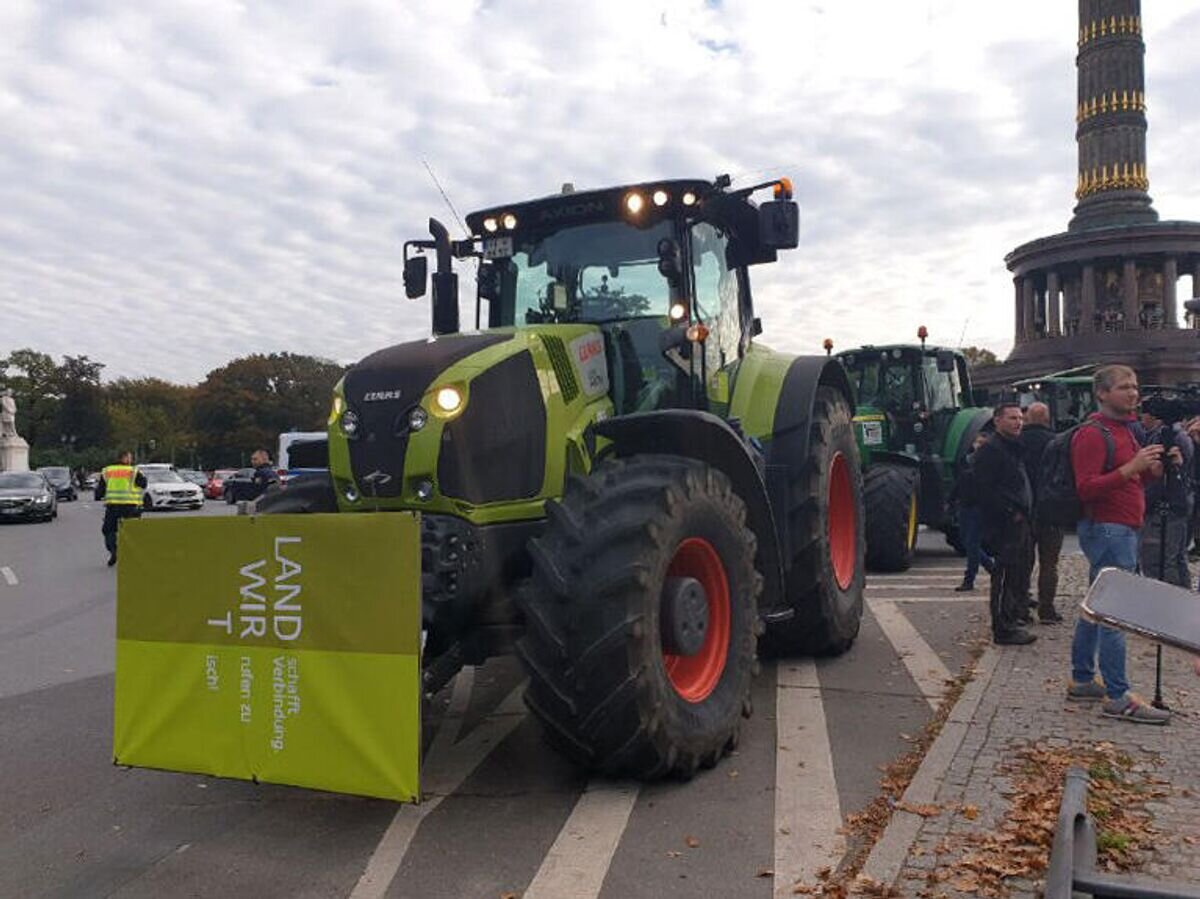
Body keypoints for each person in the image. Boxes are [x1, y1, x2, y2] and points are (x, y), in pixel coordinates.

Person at [1067, 364, 1175, 724]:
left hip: (1123, 526)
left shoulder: (1126, 431)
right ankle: (1118, 696)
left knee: (1095, 606)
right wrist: (1132, 468)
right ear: (1102, 394)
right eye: (1124, 387)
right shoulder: (1093, 434)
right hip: (1108, 530)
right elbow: (1086, 487)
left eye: (1135, 387)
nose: (1133, 393)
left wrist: (1151, 470)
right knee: (1116, 614)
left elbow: (1130, 484)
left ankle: (1083, 678)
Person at [972, 403, 1037, 645]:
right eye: (1012, 418)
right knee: (1005, 574)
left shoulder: (1014, 448)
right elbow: (985, 489)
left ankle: (1013, 616)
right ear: (997, 421)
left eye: (1020, 418)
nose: (1018, 422)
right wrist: (1011, 512)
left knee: (1018, 573)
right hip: (1005, 524)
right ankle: (1003, 627)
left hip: (1021, 520)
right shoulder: (991, 450)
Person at [1138, 406, 1193, 588]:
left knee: (1160, 561)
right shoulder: (1172, 435)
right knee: (1175, 559)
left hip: (1167, 507)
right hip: (1175, 504)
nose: (1140, 416)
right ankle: (1184, 604)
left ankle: (1169, 605)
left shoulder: (1172, 438)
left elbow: (1177, 474)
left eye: (1143, 411)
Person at [1019, 402, 1064, 623]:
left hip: (1023, 511)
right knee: (1049, 564)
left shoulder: (1016, 442)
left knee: (1023, 562)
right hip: (1051, 511)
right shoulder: (1058, 443)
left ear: (1026, 418)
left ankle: (1021, 608)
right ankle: (1047, 609)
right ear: (1047, 419)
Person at [954, 432, 995, 592]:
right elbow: (959, 482)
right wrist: (953, 500)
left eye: (982, 443)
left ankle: (969, 579)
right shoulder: (966, 460)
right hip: (964, 505)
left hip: (978, 507)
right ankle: (992, 568)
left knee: (972, 543)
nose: (978, 445)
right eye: (977, 442)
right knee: (967, 542)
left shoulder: (988, 463)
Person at [96, 450, 147, 566]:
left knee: (108, 530)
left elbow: (100, 491)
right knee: (133, 531)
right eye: (130, 458)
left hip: (113, 507)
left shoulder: (107, 471)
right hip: (130, 506)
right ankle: (134, 555)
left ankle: (114, 551)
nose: (131, 460)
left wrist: (100, 495)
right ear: (124, 458)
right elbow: (143, 484)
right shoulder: (133, 471)